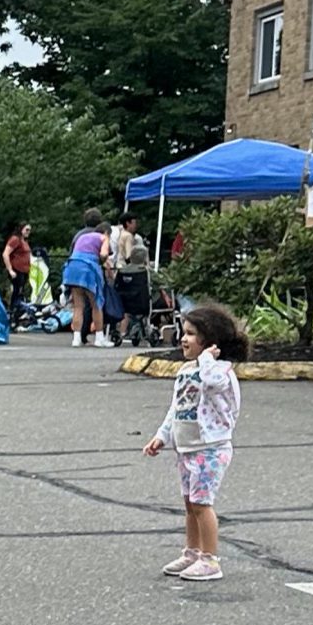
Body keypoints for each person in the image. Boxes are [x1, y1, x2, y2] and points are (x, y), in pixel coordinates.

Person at [142, 300, 247, 582]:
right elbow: (177, 408)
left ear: (210, 341)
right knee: (190, 504)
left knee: (202, 504)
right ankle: (192, 552)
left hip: (210, 449)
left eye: (190, 334)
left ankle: (210, 560)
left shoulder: (220, 371)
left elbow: (213, 381)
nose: (183, 338)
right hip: (187, 449)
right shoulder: (187, 370)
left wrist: (208, 359)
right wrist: (162, 435)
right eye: (183, 332)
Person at [61, 211, 112, 349]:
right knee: (96, 304)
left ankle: (76, 339)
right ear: (106, 232)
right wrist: (103, 261)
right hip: (88, 269)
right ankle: (100, 338)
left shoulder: (82, 236)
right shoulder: (104, 237)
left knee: (78, 306)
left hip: (72, 267)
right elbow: (104, 254)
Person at [110, 210, 152, 348]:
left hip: (121, 270)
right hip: (129, 270)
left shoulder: (121, 234)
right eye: (134, 222)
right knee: (133, 301)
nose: (136, 225)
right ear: (128, 223)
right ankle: (128, 331)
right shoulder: (128, 236)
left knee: (125, 303)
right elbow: (129, 256)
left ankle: (122, 332)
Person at [1, 221, 33, 312]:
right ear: (21, 229)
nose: (28, 232)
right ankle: (12, 310)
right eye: (26, 229)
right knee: (16, 291)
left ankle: (17, 311)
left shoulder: (24, 241)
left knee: (20, 292)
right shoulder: (15, 239)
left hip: (24, 271)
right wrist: (10, 270)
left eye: (29, 230)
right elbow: (5, 254)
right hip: (17, 270)